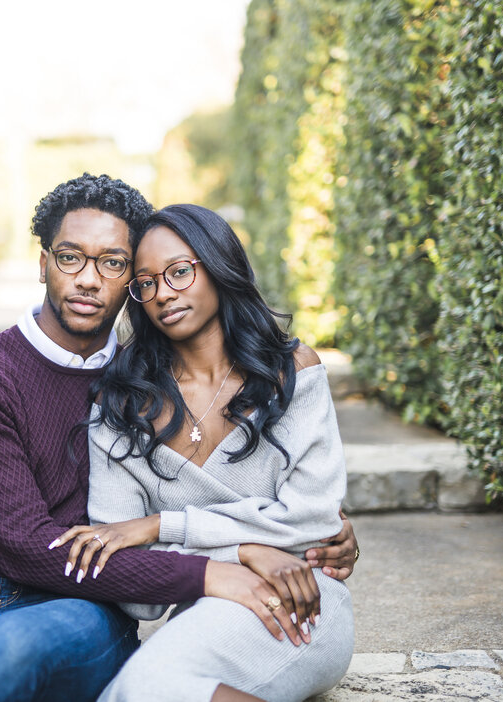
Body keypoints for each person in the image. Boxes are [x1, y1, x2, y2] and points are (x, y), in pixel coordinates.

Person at [0, 176, 357, 702]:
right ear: (45, 261)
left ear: (130, 279)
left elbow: (284, 502)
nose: (87, 278)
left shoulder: (135, 384)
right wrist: (219, 565)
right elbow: (26, 547)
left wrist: (312, 536)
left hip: (84, 605)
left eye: (112, 263)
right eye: (70, 257)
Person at [52, 204, 355, 702]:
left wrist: (160, 526)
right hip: (205, 607)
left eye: (178, 272)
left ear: (217, 264)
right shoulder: (122, 404)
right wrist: (247, 550)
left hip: (305, 600)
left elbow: (314, 521)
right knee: (131, 693)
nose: (162, 294)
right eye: (145, 283)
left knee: (147, 689)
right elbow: (131, 586)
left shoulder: (292, 371)